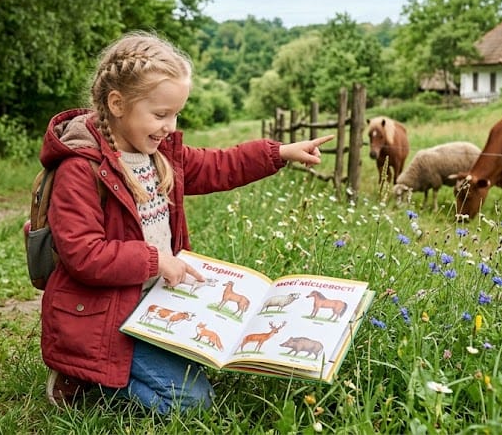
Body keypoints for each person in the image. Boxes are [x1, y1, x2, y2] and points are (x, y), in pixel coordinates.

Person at [39, 31, 334, 414]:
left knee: (211, 361)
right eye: (160, 114)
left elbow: (219, 164)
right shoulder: (81, 169)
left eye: (175, 114)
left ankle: (118, 366)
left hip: (151, 303)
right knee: (192, 401)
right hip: (104, 316)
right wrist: (154, 260)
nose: (169, 125)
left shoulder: (159, 155)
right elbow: (83, 253)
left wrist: (278, 153)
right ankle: (87, 378)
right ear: (117, 104)